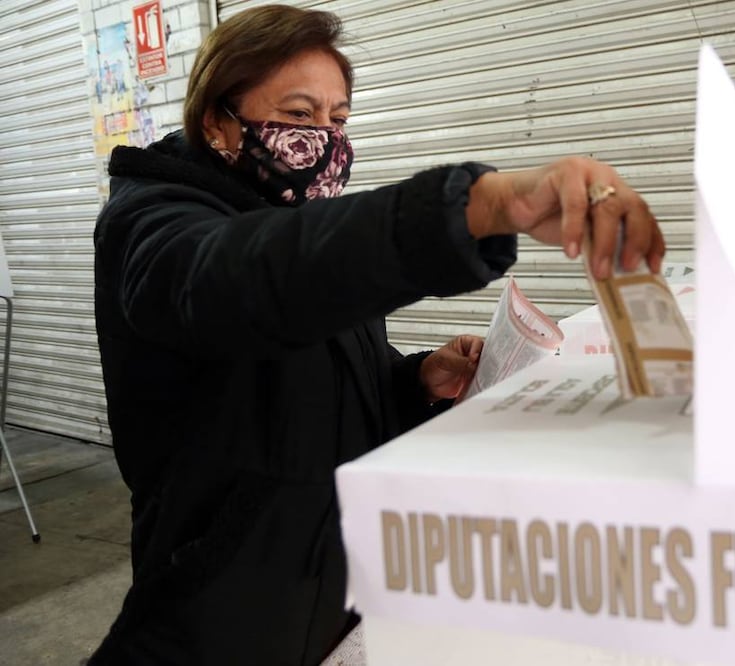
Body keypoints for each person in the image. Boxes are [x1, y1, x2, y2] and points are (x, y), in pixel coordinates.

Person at [88, 5, 664, 665]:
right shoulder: (153, 226)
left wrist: (411, 379)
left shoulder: (301, 216)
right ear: (217, 122)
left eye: (337, 119)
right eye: (299, 116)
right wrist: (480, 206)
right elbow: (246, 281)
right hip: (219, 605)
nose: (325, 139)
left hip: (331, 583)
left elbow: (313, 371)